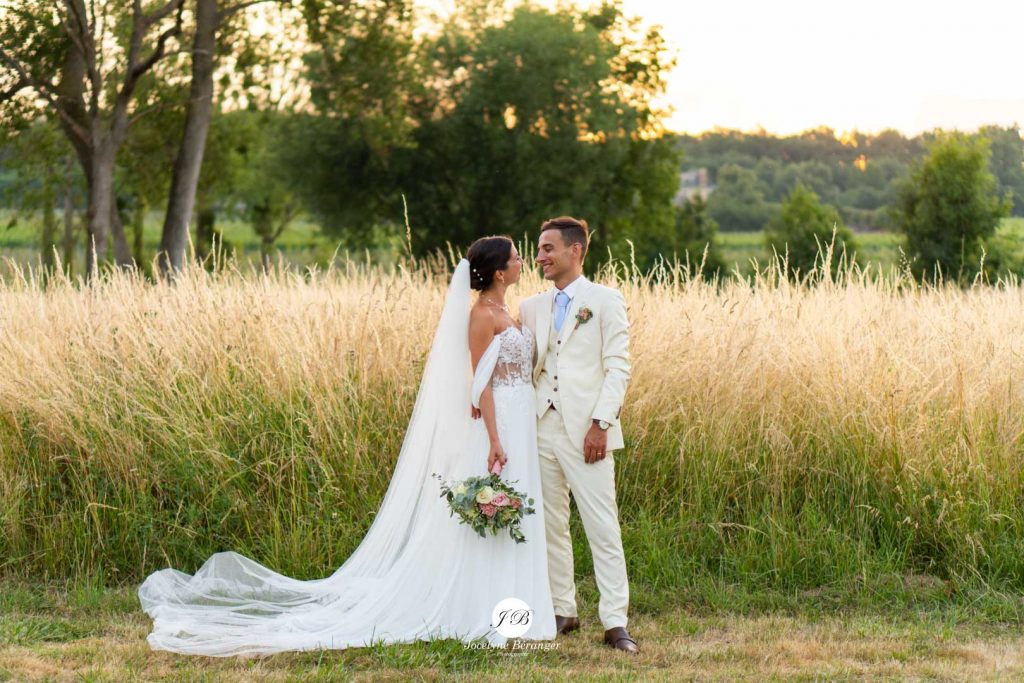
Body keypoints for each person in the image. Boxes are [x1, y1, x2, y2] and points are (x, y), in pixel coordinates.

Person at [138, 237, 556, 656]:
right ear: (499, 271)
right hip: (499, 424)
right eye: (517, 258)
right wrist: (494, 439)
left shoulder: (512, 312)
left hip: (522, 418)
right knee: (494, 502)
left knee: (519, 501)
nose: (523, 262)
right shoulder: (481, 316)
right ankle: (484, 605)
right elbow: (481, 383)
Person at [518, 216, 638, 654]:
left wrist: (601, 423)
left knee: (602, 526)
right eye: (538, 249)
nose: (540, 257)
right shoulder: (531, 307)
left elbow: (618, 366)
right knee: (551, 525)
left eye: (548, 248)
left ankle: (615, 622)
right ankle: (562, 610)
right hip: (540, 426)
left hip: (588, 431)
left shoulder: (604, 300)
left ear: (576, 250)